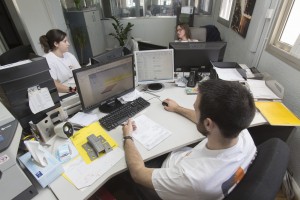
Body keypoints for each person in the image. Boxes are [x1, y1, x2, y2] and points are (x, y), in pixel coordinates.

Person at [122, 79, 257, 200]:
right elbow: (206, 120)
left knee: (126, 170)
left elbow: (138, 173)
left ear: (208, 124)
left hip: (172, 183)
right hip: (188, 166)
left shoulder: (192, 178)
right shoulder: (242, 132)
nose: (194, 109)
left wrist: (128, 136)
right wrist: (177, 108)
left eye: (195, 107)